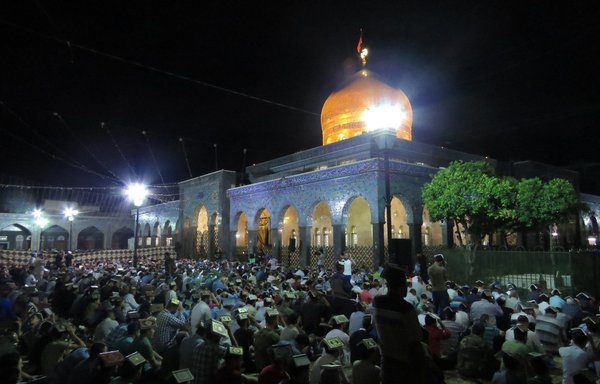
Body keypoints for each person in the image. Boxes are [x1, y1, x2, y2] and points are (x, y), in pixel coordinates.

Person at [373, 263, 425, 383]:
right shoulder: (406, 308)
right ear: (401, 286)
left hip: (386, 362)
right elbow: (415, 340)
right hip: (405, 365)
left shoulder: (378, 302)